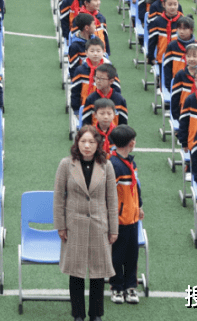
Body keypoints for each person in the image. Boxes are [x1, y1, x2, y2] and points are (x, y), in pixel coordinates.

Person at [54, 125, 118, 321]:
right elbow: (59, 198)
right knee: (76, 272)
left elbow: (112, 199)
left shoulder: (106, 166)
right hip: (74, 225)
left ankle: (96, 314)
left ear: (98, 144)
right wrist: (61, 225)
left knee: (98, 273)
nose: (87, 146)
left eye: (91, 142)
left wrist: (113, 228)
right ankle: (78, 315)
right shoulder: (66, 165)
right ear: (77, 143)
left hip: (100, 225)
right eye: (83, 141)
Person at [108, 125, 142, 305]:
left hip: (133, 218)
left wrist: (140, 206)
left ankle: (131, 286)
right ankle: (116, 287)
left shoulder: (131, 162)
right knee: (117, 256)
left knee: (132, 255)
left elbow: (136, 188)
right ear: (131, 143)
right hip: (119, 220)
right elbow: (109, 195)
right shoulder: (113, 165)